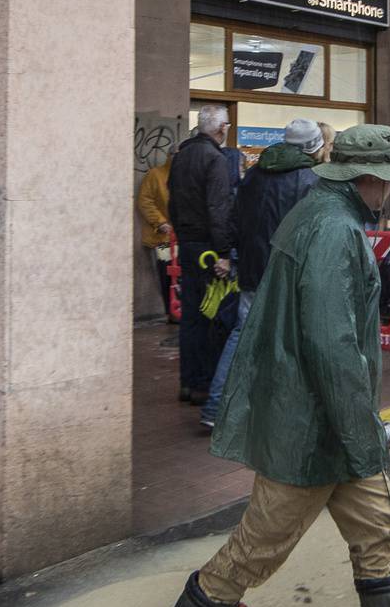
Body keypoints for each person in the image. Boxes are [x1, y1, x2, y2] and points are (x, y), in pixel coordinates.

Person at [139, 124, 390, 607]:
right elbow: (332, 343)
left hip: (329, 424)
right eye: (389, 181)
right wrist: (361, 429)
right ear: (372, 180)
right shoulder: (333, 229)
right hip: (313, 427)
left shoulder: (323, 214)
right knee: (256, 549)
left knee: (378, 535)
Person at [200, 118, 322, 431]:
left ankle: (216, 405)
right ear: (314, 148)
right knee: (289, 340)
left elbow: (235, 218)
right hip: (288, 272)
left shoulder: (255, 174)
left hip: (253, 269)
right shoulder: (309, 180)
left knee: (243, 335)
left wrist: (232, 256)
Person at [167, 105, 236, 404]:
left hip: (188, 244)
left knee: (192, 317)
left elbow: (173, 203)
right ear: (221, 128)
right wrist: (223, 252)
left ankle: (188, 380)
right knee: (213, 317)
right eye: (228, 125)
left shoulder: (181, 157)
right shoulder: (215, 159)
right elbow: (218, 209)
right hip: (209, 247)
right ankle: (204, 384)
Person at [135, 156, 176, 321]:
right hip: (163, 238)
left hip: (181, 236)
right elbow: (145, 200)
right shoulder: (155, 175)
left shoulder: (183, 174)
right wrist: (160, 222)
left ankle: (176, 310)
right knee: (166, 273)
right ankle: (171, 312)